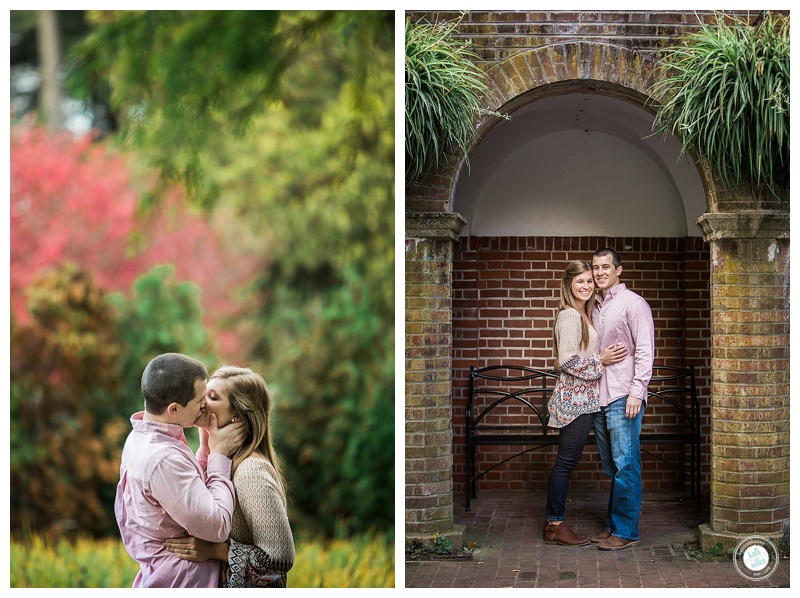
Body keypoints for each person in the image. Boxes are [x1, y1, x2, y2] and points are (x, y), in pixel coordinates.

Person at [115, 352, 247, 587]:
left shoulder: (139, 438)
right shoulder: (163, 460)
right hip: (183, 581)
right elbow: (217, 526)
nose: (205, 405)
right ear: (173, 409)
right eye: (200, 401)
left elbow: (185, 491)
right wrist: (219, 455)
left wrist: (206, 449)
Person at [163, 366, 295, 587]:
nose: (202, 401)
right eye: (204, 393)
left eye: (212, 397)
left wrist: (214, 550)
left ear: (238, 415)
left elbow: (279, 556)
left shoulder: (250, 470)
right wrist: (208, 448)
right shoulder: (224, 459)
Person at [543, 260, 627, 546]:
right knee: (565, 463)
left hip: (584, 400)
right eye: (580, 281)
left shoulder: (582, 313)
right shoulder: (569, 316)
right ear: (569, 284)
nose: (587, 286)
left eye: (590, 281)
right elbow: (567, 361)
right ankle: (554, 524)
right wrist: (600, 361)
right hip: (575, 401)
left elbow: (563, 357)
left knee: (566, 462)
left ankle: (554, 523)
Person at [590, 248, 654, 551]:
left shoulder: (633, 304)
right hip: (600, 396)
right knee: (612, 466)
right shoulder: (595, 307)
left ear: (619, 270)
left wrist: (636, 392)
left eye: (606, 267)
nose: (600, 272)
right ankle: (614, 525)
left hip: (623, 395)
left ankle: (626, 531)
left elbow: (644, 351)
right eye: (595, 267)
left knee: (626, 464)